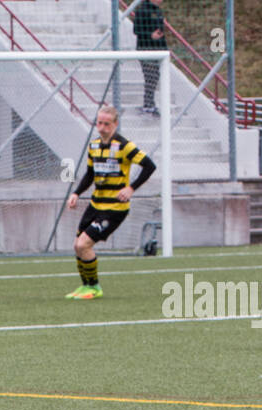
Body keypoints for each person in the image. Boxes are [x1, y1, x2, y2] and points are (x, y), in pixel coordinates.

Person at [64, 105, 156, 300]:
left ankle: (95, 287)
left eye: (107, 124)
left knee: (83, 245)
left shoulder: (124, 146)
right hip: (96, 205)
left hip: (114, 208)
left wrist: (131, 188)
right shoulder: (94, 146)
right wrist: (76, 193)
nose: (102, 127)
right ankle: (85, 286)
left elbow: (149, 166)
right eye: (99, 123)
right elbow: (90, 174)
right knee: (77, 246)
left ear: (115, 124)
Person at [132, 0, 167, 116]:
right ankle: (148, 104)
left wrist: (164, 48)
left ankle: (149, 103)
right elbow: (137, 30)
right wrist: (150, 35)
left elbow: (160, 30)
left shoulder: (157, 11)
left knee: (155, 76)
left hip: (158, 49)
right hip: (145, 49)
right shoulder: (142, 10)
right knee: (150, 75)